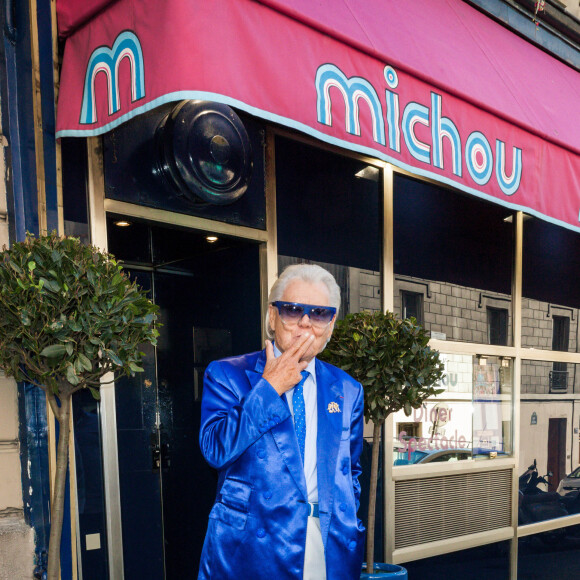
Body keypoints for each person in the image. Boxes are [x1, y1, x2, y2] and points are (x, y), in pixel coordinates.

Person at [198, 264, 365, 579]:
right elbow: (215, 450)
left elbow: (351, 470)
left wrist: (348, 518)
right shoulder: (226, 374)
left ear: (330, 325)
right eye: (292, 310)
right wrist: (269, 388)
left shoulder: (348, 389)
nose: (305, 322)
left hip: (329, 546)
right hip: (252, 550)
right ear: (272, 317)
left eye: (318, 313)